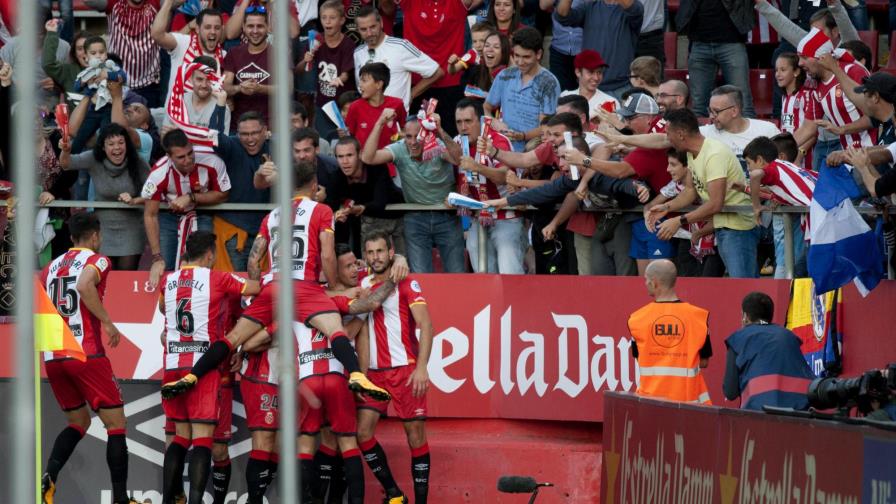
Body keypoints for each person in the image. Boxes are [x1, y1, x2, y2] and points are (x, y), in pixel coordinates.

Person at [167, 161, 390, 401]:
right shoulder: (321, 210)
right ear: (314, 185)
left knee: (233, 339)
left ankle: (192, 375)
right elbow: (327, 254)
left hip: (273, 286)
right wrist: (334, 287)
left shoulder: (272, 215)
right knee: (335, 330)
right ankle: (356, 374)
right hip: (304, 286)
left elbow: (253, 260)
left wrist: (260, 290)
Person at [39, 212, 137, 504]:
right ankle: (121, 499)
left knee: (79, 421)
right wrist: (107, 322)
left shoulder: (49, 267)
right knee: (116, 424)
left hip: (53, 354)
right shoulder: (98, 259)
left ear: (70, 238)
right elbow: (84, 285)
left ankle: (49, 479)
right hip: (85, 351)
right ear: (96, 236)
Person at [159, 231, 259, 504]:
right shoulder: (218, 278)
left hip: (172, 365)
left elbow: (162, 309)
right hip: (202, 368)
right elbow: (255, 289)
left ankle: (168, 500)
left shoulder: (167, 281)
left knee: (179, 437)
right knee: (203, 439)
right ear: (209, 255)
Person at [356, 231, 435, 504]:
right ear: (365, 255)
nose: (375, 257)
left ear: (390, 253)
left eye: (380, 251)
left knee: (415, 436)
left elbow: (426, 325)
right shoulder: (360, 281)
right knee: (363, 434)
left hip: (404, 370)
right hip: (373, 376)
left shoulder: (407, 282)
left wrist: (422, 368)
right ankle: (394, 494)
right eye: (370, 252)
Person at [561, 91, 673, 275]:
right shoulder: (657, 127)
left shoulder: (652, 144)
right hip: (655, 211)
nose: (626, 123)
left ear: (648, 118)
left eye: (630, 118)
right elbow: (647, 139)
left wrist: (584, 160)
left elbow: (619, 171)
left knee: (659, 278)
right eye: (625, 118)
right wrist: (622, 138)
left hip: (664, 216)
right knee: (648, 280)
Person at [648, 109, 759, 278]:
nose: (667, 138)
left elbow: (715, 203)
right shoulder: (692, 153)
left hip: (738, 229)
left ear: (681, 133)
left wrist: (679, 220)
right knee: (741, 284)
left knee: (744, 284)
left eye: (668, 133)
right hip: (724, 227)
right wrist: (666, 206)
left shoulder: (714, 154)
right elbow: (691, 191)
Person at [361, 108, 466, 273]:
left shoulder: (437, 145)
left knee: (457, 274)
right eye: (408, 136)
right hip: (415, 218)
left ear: (427, 134)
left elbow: (459, 159)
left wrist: (439, 130)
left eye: (418, 136)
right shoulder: (400, 148)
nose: (413, 142)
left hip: (446, 215)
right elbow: (368, 158)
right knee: (421, 277)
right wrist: (380, 122)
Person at [141, 129, 230, 289]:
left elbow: (223, 194)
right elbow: (150, 215)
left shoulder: (212, 161)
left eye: (190, 153)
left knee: (205, 257)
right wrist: (156, 257)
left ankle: (207, 295)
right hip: (169, 214)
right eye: (181, 157)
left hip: (202, 211)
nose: (188, 160)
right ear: (169, 157)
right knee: (165, 263)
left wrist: (191, 197)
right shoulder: (158, 173)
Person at [58, 123, 150, 270]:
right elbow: (66, 163)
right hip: (103, 231)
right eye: (111, 144)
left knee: (124, 279)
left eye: (121, 142)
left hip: (132, 229)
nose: (117, 148)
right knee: (105, 276)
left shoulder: (137, 161)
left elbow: (153, 191)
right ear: (103, 147)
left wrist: (135, 199)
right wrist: (66, 150)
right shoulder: (93, 158)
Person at [627, 259, 712, 404]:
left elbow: (638, 357)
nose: (645, 283)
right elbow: (704, 361)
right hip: (689, 404)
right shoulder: (698, 317)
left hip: (649, 402)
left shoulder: (637, 319)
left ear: (654, 283)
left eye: (646, 280)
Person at [453, 98, 523, 274]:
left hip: (506, 215)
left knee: (509, 272)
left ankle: (516, 301)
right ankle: (490, 302)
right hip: (479, 217)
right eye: (459, 122)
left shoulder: (497, 141)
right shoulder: (458, 142)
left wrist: (477, 167)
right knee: (482, 272)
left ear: (481, 120)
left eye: (468, 121)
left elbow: (504, 177)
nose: (463, 127)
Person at [723, 291, 816, 410]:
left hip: (757, 415)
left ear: (745, 316)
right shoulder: (789, 336)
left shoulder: (738, 338)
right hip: (798, 412)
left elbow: (730, 393)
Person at [792, 28, 876, 152]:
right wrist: (776, 151)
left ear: (820, 57)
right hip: (848, 155)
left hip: (873, 150)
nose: (800, 63)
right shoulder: (815, 84)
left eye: (804, 57)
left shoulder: (852, 71)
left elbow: (874, 116)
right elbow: (808, 128)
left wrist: (842, 129)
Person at [744, 136, 815, 279]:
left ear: (760, 160)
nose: (748, 168)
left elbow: (755, 175)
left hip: (820, 218)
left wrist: (756, 206)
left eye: (748, 163)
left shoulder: (770, 170)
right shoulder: (785, 166)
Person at [209, 111, 272, 271]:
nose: (250, 139)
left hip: (267, 232)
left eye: (255, 133)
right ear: (237, 134)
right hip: (234, 229)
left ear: (265, 131)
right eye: (244, 134)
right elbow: (214, 136)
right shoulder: (232, 145)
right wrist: (221, 104)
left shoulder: (277, 148)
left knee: (263, 286)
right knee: (236, 285)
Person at [352, 5, 443, 112]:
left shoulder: (401, 46)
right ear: (357, 30)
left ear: (381, 23)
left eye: (373, 27)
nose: (369, 33)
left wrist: (410, 95)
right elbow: (361, 89)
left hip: (395, 121)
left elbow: (437, 72)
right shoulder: (358, 53)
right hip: (368, 120)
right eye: (363, 29)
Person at [485, 27, 561, 152]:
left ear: (538, 54)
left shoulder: (549, 83)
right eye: (516, 56)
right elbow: (487, 107)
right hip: (503, 147)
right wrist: (494, 122)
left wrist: (522, 136)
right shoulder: (505, 75)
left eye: (526, 57)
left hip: (533, 152)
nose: (520, 62)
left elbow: (546, 128)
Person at [402, 0, 472, 135]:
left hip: (450, 84)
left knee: (450, 138)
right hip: (419, 85)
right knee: (416, 141)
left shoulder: (457, 3)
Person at [675, 0, 755, 117]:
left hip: (731, 40)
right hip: (699, 41)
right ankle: (700, 135)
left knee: (743, 104)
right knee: (699, 107)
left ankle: (749, 135)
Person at [554, 0, 643, 101]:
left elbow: (633, 10)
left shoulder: (634, 6)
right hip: (589, 87)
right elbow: (562, 15)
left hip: (620, 88)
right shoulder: (589, 6)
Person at [332, 136, 406, 255]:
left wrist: (359, 208)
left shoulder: (377, 167)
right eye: (340, 157)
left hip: (396, 217)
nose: (345, 161)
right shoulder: (336, 175)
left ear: (360, 155)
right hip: (362, 221)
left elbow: (379, 203)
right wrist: (339, 213)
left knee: (402, 262)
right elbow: (333, 207)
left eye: (349, 155)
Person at [96, 0, 163, 107]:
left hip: (149, 84)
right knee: (119, 122)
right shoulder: (114, 3)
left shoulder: (155, 2)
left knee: (148, 122)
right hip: (118, 84)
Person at [152, 1, 226, 98]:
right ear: (197, 29)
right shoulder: (183, 42)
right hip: (177, 110)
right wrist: (168, 3)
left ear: (222, 29)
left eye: (217, 28)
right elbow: (157, 35)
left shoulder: (224, 56)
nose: (212, 32)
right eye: (207, 27)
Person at [701, 85, 781, 166]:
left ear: (734, 111)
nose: (711, 116)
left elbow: (784, 165)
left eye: (716, 111)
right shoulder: (703, 134)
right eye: (710, 111)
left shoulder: (768, 131)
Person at [223, 6, 273, 130]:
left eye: (260, 26)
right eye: (250, 26)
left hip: (270, 128)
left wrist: (259, 88)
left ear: (268, 27)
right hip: (238, 128)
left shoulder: (279, 54)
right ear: (243, 28)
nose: (255, 31)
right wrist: (239, 88)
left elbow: (287, 88)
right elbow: (224, 87)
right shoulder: (233, 53)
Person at [344, 62, 407, 159]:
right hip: (364, 162)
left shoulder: (397, 104)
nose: (360, 85)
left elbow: (404, 132)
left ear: (378, 84)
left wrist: (395, 138)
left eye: (364, 81)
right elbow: (350, 137)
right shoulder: (355, 107)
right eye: (360, 81)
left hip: (389, 161)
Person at [162, 55, 230, 133]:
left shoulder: (222, 108)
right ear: (190, 78)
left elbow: (220, 142)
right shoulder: (177, 101)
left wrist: (181, 134)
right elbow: (164, 136)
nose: (204, 85)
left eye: (209, 80)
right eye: (199, 79)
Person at [776, 52, 817, 169]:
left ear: (796, 72)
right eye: (776, 70)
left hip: (805, 161)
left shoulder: (806, 95)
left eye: (783, 70)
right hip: (788, 158)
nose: (778, 74)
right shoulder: (784, 98)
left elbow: (814, 132)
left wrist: (799, 155)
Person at [559, 50, 619, 124]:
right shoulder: (565, 97)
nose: (596, 78)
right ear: (578, 72)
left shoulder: (611, 102)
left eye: (599, 72)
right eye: (591, 72)